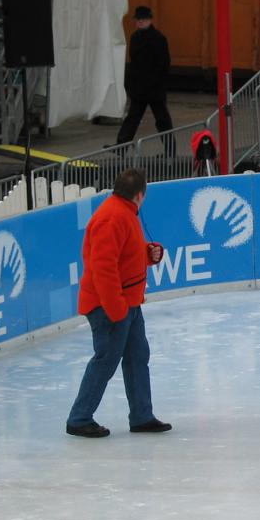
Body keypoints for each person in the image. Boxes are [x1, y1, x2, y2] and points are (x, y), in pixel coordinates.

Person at [66, 168, 171, 438]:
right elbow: (103, 268)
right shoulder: (111, 217)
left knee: (137, 357)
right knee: (106, 359)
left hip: (128, 304)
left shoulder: (125, 212)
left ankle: (142, 416)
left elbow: (125, 256)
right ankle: (79, 418)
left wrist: (149, 254)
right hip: (111, 306)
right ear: (140, 195)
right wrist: (115, 310)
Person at [116, 5, 175, 156]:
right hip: (141, 88)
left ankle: (170, 150)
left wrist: (155, 83)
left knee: (161, 121)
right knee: (134, 119)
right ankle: (120, 148)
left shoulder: (159, 39)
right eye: (138, 20)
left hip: (153, 89)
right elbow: (134, 63)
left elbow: (164, 64)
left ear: (149, 20)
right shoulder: (136, 38)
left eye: (143, 20)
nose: (140, 22)